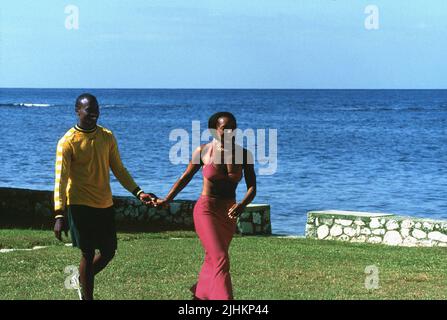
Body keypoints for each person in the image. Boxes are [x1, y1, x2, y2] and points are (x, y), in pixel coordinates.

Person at [53, 93, 156, 300]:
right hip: (80, 204)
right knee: (88, 252)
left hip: (104, 203)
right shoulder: (67, 142)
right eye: (88, 110)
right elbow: (60, 180)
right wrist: (59, 213)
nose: (93, 114)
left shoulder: (107, 136)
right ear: (77, 111)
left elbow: (118, 168)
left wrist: (138, 192)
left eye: (96, 110)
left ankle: (80, 277)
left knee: (108, 252)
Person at [155, 112, 256, 300]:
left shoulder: (243, 154)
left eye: (233, 127)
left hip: (228, 213)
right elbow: (185, 177)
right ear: (214, 130)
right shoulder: (203, 151)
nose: (230, 131)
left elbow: (252, 187)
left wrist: (242, 204)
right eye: (225, 128)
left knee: (213, 258)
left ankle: (199, 297)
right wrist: (167, 199)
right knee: (220, 258)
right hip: (206, 210)